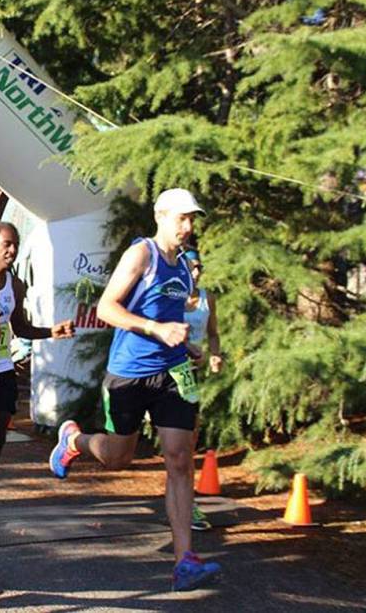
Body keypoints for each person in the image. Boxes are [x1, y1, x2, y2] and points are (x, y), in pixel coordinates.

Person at [48, 188, 222, 592]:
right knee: (118, 458)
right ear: (160, 216)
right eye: (181, 218)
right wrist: (155, 329)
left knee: (180, 459)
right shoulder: (142, 254)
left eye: (192, 219)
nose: (187, 227)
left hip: (173, 372)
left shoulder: (184, 267)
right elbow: (106, 308)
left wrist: (187, 346)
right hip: (129, 373)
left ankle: (184, 561)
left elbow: (171, 321)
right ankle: (73, 440)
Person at [0, 221, 76, 529]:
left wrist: (51, 331)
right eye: (6, 244)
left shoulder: (16, 285)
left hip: (1, 369)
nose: (12, 250)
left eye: (15, 245)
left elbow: (20, 327)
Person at [182, 248, 223, 531]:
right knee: (119, 453)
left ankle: (187, 504)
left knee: (188, 442)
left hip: (189, 376)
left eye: (199, 267)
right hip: (161, 372)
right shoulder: (170, 297)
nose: (196, 273)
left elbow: (213, 334)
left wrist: (215, 354)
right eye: (191, 267)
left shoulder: (208, 298)